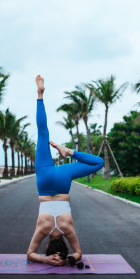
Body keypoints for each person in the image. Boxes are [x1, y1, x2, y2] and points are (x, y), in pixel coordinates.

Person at [27, 75, 104, 266]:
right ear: (46, 247)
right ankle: (39, 94)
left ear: (64, 245)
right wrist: (46, 260)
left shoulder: (68, 230)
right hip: (45, 181)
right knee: (43, 134)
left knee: (98, 162)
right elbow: (30, 255)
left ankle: (69, 151)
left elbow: (78, 253)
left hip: (62, 181)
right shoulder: (43, 230)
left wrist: (72, 257)